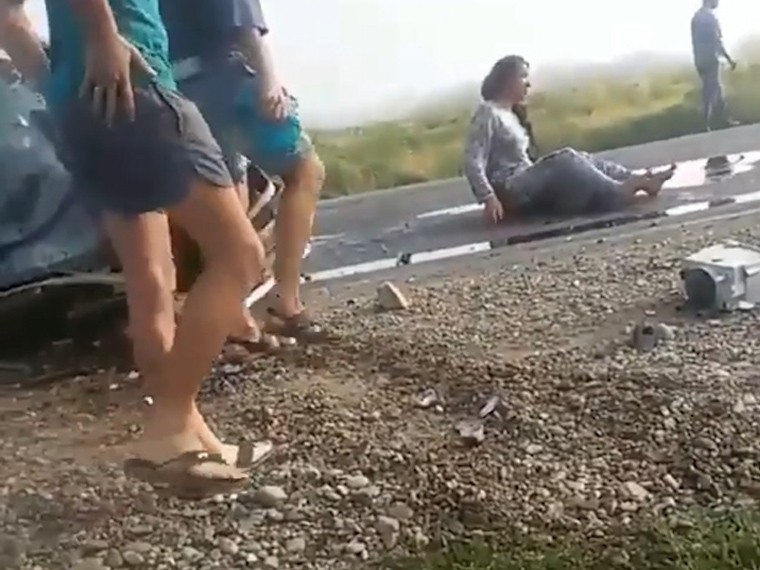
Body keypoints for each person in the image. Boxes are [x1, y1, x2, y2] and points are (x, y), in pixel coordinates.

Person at [1, 0, 273, 497]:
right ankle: (170, 422)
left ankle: (190, 445)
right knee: (240, 256)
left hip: (83, 103)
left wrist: (55, 86)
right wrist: (103, 37)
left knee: (151, 283)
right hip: (135, 89)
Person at [159, 0, 329, 346]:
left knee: (227, 185)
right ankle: (285, 300)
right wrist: (268, 80)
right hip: (225, 76)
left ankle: (236, 317)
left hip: (174, 85)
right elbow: (243, 22)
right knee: (305, 170)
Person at [463, 55, 676, 225]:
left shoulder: (510, 113)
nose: (528, 84)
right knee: (566, 158)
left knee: (581, 158)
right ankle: (619, 191)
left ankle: (637, 179)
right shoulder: (487, 112)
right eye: (523, 77)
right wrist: (488, 197)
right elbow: (473, 161)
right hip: (510, 189)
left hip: (525, 182)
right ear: (507, 80)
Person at [691, 0, 737, 131]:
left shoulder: (696, 18)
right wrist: (729, 59)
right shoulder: (710, 18)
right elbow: (716, 41)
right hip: (711, 58)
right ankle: (704, 123)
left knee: (716, 88)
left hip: (700, 59)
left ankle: (723, 119)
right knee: (710, 91)